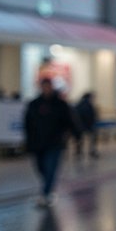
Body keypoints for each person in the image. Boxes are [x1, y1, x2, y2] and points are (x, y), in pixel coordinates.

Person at [24, 78, 76, 206]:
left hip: (55, 142)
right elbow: (28, 123)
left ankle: (46, 193)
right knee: (41, 168)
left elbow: (70, 121)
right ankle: (48, 186)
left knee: (51, 167)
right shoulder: (34, 104)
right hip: (38, 143)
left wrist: (74, 134)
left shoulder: (60, 104)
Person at [73, 92, 99, 159]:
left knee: (80, 139)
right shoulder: (87, 104)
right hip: (87, 125)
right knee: (91, 138)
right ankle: (91, 151)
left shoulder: (79, 104)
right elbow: (90, 115)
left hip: (80, 125)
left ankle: (79, 152)